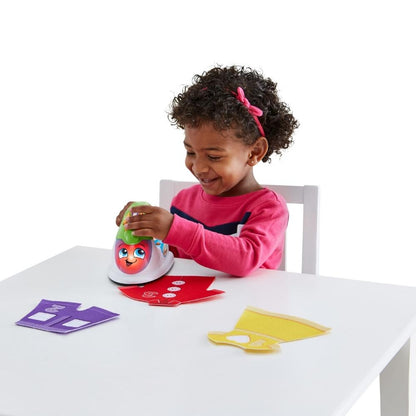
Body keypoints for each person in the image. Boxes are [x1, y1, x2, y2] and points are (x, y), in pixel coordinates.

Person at [116, 65, 298, 276]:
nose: (199, 167)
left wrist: (173, 228)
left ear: (254, 152)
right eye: (190, 152)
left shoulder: (268, 208)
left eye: (214, 156)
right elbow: (170, 261)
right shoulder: (183, 201)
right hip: (189, 296)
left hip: (249, 298)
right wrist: (144, 227)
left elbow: (245, 258)